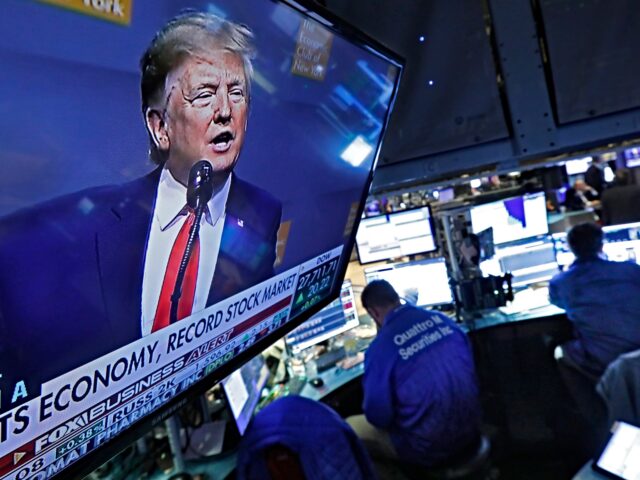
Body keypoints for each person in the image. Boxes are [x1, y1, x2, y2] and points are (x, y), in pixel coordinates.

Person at [0, 12, 281, 397]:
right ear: (160, 127)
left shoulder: (263, 214)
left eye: (237, 92)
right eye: (204, 94)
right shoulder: (71, 231)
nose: (225, 111)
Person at [347, 280, 481, 469]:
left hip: (428, 448)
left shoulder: (379, 350)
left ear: (373, 313)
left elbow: (378, 417)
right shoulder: (442, 320)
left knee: (350, 427)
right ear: (397, 298)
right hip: (472, 429)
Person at [549, 223, 640, 379]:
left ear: (570, 247)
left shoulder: (560, 283)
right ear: (601, 244)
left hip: (605, 360)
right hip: (637, 352)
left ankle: (592, 401)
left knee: (558, 350)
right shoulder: (631, 270)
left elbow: (558, 303)